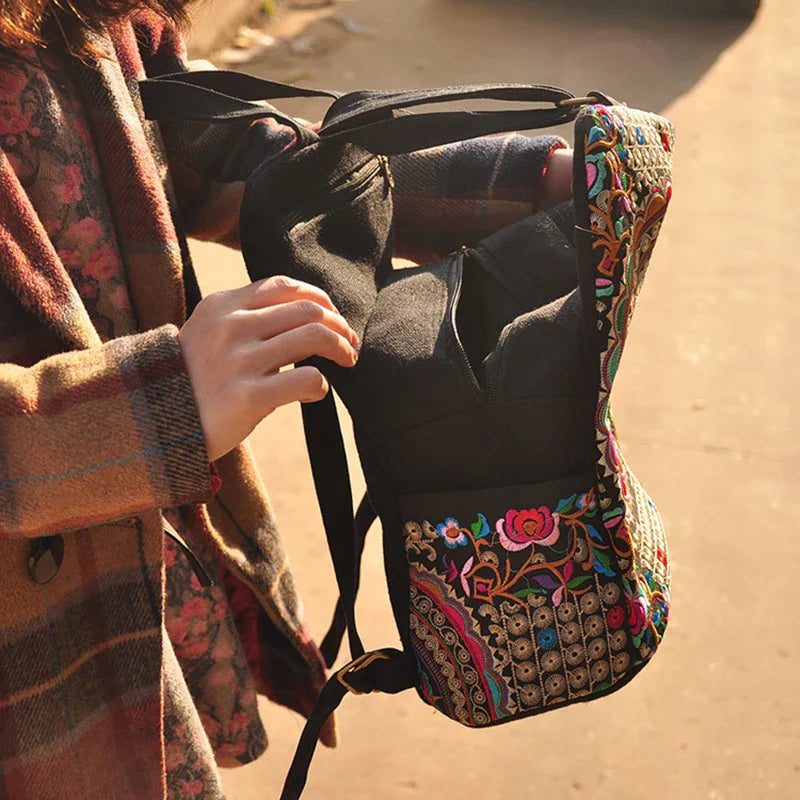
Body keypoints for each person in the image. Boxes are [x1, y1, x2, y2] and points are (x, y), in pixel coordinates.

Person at [0, 1, 574, 797]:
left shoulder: (84, 13)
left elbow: (251, 164)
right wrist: (152, 409)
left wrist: (522, 179)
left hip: (138, 561)